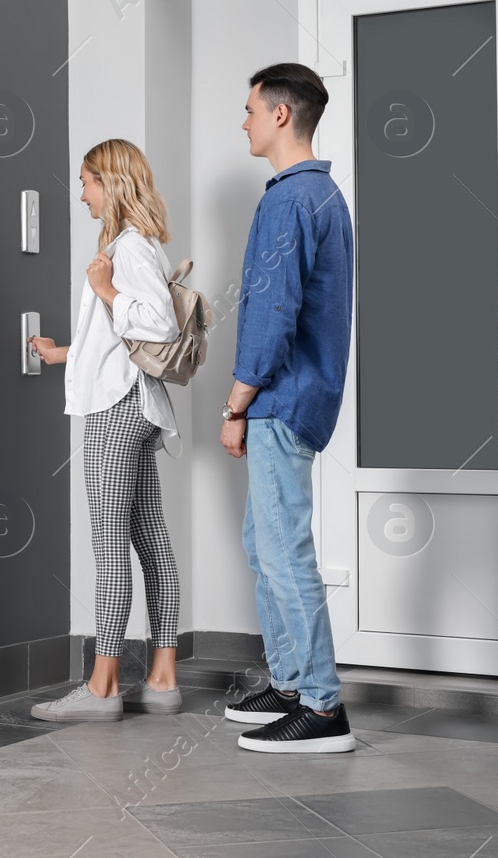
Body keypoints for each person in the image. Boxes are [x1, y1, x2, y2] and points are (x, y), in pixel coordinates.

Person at [219, 63, 356, 753]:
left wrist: (236, 400)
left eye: (248, 110)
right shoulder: (322, 195)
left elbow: (273, 312)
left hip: (279, 398)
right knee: (263, 542)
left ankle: (322, 705)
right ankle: (291, 681)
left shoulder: (289, 199)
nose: (242, 121)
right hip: (297, 396)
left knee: (283, 550)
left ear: (279, 115)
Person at [29, 139, 184, 722]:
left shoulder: (128, 249)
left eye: (87, 182)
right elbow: (121, 341)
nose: (82, 193)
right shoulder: (134, 246)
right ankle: (163, 679)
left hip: (117, 412)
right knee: (149, 539)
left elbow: (158, 325)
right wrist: (62, 352)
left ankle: (102, 687)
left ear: (111, 183)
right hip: (139, 406)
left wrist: (105, 288)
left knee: (110, 540)